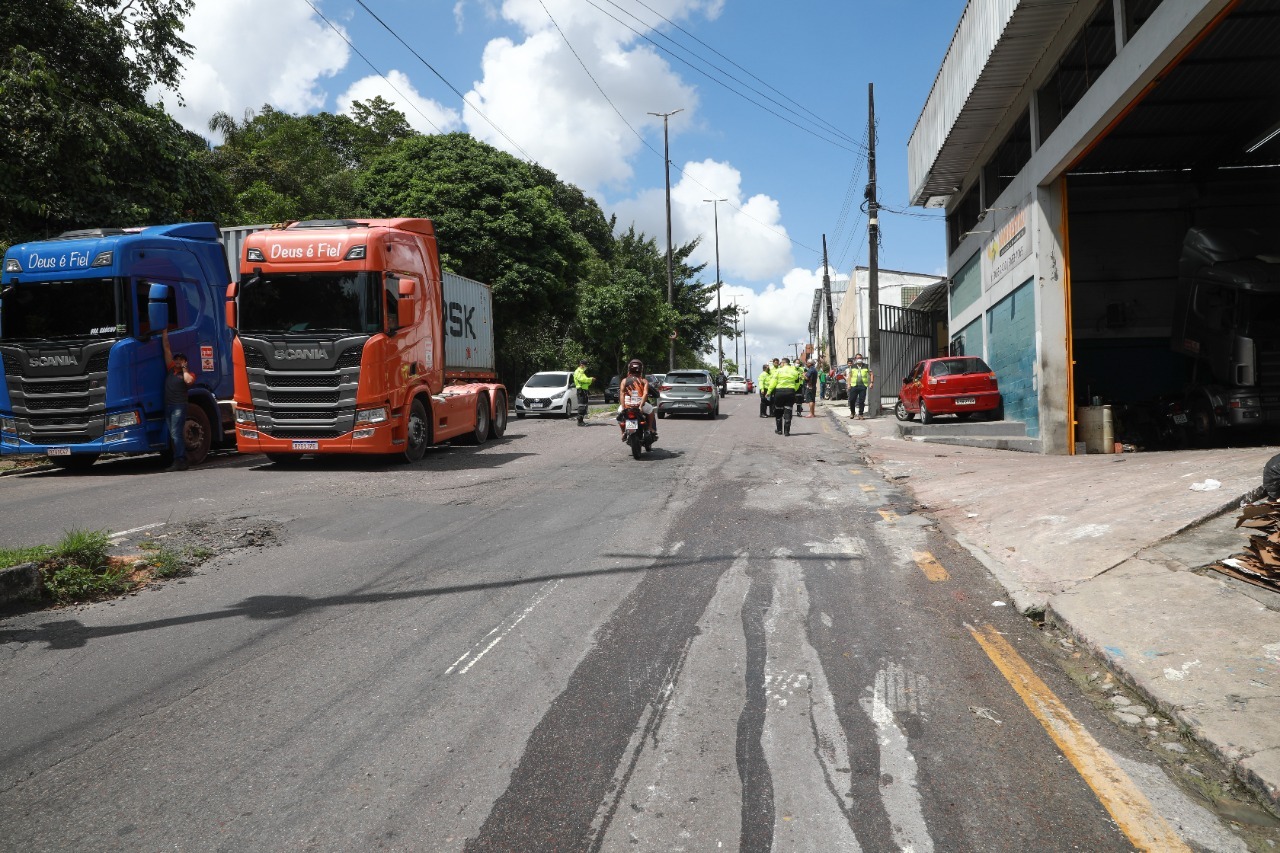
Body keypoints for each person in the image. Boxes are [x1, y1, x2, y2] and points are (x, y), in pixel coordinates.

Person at [161, 330, 194, 471]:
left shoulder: (188, 374)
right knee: (173, 434)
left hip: (179, 406)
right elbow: (166, 347)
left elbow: (189, 382)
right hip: (168, 406)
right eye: (177, 359)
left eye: (181, 360)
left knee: (176, 433)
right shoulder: (170, 369)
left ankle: (180, 460)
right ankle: (181, 459)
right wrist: (164, 331)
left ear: (185, 362)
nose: (178, 361)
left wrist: (185, 369)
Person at [616, 359, 657, 441]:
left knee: (619, 415)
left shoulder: (624, 381)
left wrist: (623, 407)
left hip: (627, 406)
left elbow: (622, 394)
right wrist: (641, 406)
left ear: (629, 370)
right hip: (639, 405)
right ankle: (649, 429)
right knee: (651, 410)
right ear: (641, 370)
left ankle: (623, 432)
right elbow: (645, 394)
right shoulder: (643, 381)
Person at [770, 356, 804, 436]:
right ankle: (786, 431)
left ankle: (779, 430)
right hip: (790, 392)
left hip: (779, 392)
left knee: (778, 410)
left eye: (781, 363)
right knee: (788, 409)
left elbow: (773, 382)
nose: (780, 364)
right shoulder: (795, 372)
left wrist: (769, 391)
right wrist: (793, 389)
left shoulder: (778, 371)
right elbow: (798, 383)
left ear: (784, 363)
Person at [848, 353, 873, 420]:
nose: (859, 359)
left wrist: (871, 383)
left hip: (863, 386)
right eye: (857, 358)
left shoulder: (866, 366)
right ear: (855, 359)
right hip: (854, 386)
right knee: (852, 400)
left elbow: (871, 374)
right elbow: (849, 376)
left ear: (862, 359)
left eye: (860, 358)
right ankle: (852, 412)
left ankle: (861, 414)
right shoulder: (852, 366)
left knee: (862, 401)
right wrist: (848, 384)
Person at [572, 360, 594, 425]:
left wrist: (590, 380)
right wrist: (590, 379)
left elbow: (586, 382)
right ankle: (580, 421)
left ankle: (581, 420)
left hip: (584, 390)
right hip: (581, 390)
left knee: (584, 405)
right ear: (582, 365)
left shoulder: (582, 372)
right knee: (582, 405)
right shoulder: (578, 371)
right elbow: (582, 379)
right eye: (585, 365)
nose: (585, 366)